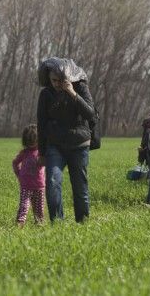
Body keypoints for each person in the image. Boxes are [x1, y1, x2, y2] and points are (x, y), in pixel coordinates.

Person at [37, 66, 97, 223]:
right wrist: (42, 152)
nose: (57, 84)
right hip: (55, 145)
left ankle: (83, 222)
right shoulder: (46, 94)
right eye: (53, 80)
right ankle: (57, 223)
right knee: (52, 182)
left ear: (69, 78)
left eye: (60, 80)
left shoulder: (81, 88)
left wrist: (72, 93)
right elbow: (41, 123)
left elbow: (89, 114)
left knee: (80, 186)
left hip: (79, 144)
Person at [12, 124, 45, 227]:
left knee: (39, 209)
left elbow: (46, 163)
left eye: (33, 139)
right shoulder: (24, 153)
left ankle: (39, 224)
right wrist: (19, 174)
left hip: (39, 186)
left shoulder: (41, 152)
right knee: (24, 206)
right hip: (26, 186)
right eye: (29, 140)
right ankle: (20, 224)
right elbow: (15, 162)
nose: (31, 142)